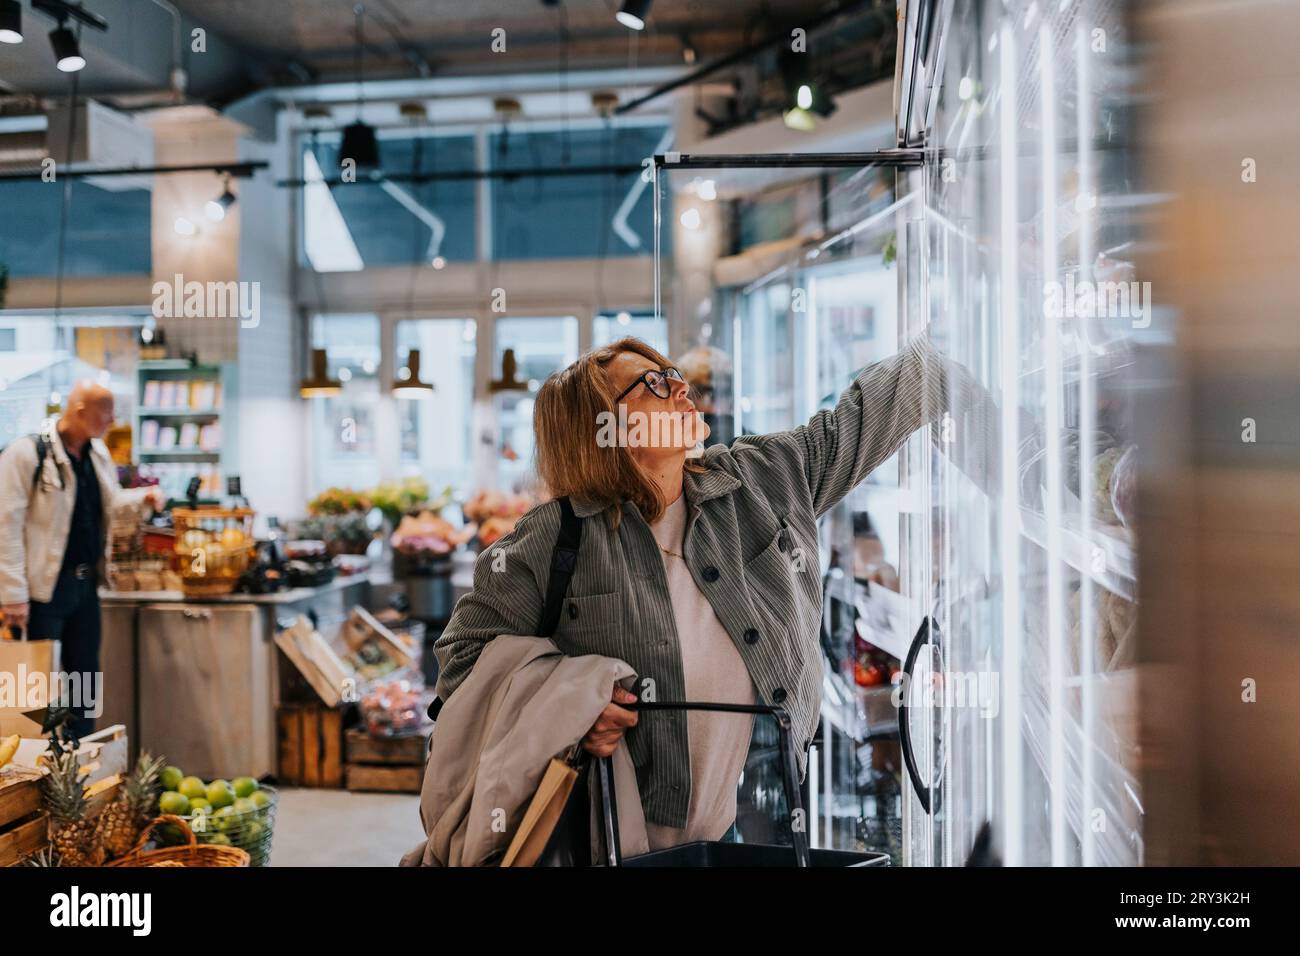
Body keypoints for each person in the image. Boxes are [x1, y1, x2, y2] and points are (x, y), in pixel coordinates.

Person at [433, 335, 977, 850]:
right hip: (614, 836)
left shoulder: (762, 480)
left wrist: (950, 336)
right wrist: (571, 707)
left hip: (765, 812)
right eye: (655, 384)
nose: (681, 389)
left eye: (673, 374)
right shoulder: (555, 539)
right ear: (601, 426)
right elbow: (462, 666)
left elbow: (857, 422)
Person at [0, 380, 164, 738]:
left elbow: (109, 503)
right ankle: (37, 763)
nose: (111, 420)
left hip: (86, 585)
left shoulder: (96, 453)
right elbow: (5, 525)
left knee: (85, 678)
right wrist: (12, 592)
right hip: (43, 591)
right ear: (79, 411)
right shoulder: (26, 454)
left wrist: (144, 498)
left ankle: (81, 752)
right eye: (105, 411)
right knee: (37, 684)